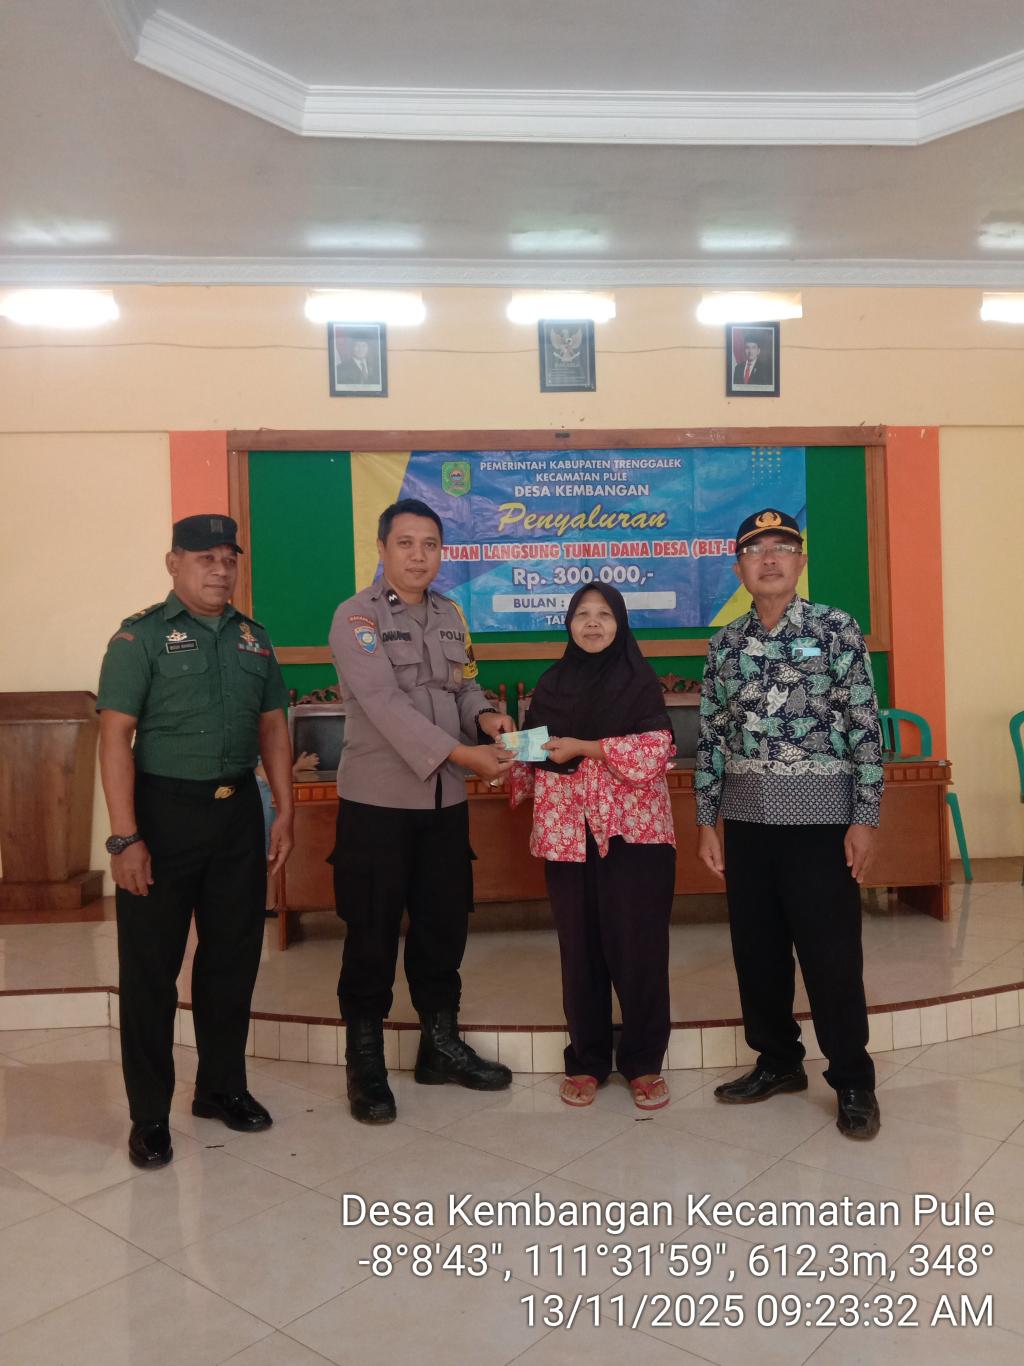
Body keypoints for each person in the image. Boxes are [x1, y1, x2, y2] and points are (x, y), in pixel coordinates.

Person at [97, 514, 294, 1169]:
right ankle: (149, 1114)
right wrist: (125, 837)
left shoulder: (254, 640)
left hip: (237, 817)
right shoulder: (139, 638)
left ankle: (221, 1088)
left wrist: (285, 810)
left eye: (228, 558)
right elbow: (114, 737)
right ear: (173, 563)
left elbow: (273, 727)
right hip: (161, 816)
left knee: (232, 960)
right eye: (205, 557)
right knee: (150, 971)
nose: (220, 569)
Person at [695, 507, 883, 1139]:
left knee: (832, 957)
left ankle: (853, 1079)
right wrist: (706, 820)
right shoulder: (724, 645)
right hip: (748, 822)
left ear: (800, 561)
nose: (769, 559)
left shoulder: (835, 628)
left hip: (821, 822)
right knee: (758, 954)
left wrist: (865, 817)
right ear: (739, 568)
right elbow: (713, 737)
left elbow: (864, 725)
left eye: (781, 547)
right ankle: (777, 1061)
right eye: (756, 550)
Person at [328, 497, 516, 1124]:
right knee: (372, 932)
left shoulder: (451, 614)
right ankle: (365, 1062)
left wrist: (487, 718)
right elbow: (384, 705)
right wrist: (465, 754)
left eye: (430, 544)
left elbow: (464, 686)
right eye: (405, 543)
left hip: (444, 803)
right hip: (378, 803)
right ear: (382, 549)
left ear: (442, 553)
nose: (418, 555)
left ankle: (439, 1046)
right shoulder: (356, 617)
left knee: (443, 927)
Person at [511, 584, 677, 1110]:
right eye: (582, 614)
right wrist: (505, 751)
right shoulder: (552, 683)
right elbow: (534, 748)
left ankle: (644, 1062)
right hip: (568, 835)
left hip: (633, 836)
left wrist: (585, 748)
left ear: (620, 623)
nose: (592, 623)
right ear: (568, 624)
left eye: (604, 614)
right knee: (579, 950)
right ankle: (586, 1060)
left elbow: (656, 749)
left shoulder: (639, 681)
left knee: (638, 947)